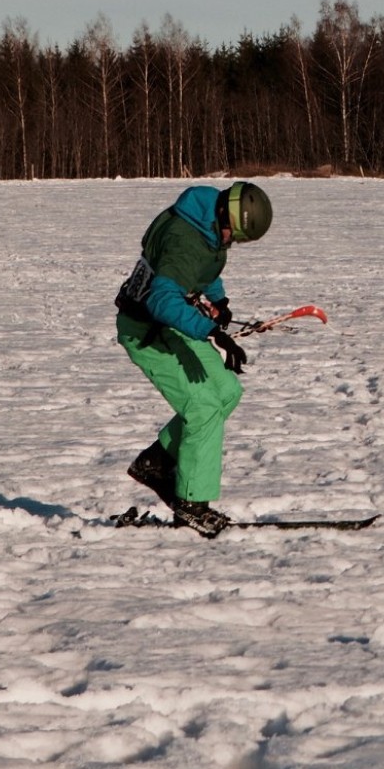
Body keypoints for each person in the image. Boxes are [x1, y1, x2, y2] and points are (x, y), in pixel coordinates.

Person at [114, 181, 272, 536]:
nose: (232, 242)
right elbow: (161, 299)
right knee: (203, 407)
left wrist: (219, 300)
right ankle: (191, 504)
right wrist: (211, 332)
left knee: (227, 391)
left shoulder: (207, 223)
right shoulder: (184, 239)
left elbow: (204, 267)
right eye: (234, 235)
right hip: (146, 331)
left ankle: (156, 462)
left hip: (173, 325)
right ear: (225, 214)